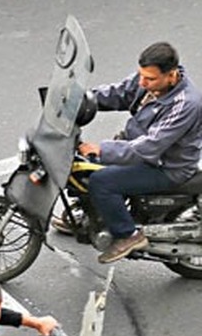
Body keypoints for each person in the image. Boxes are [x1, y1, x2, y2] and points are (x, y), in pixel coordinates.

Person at [71, 41, 202, 263]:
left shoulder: (186, 104)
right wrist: (83, 99)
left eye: (149, 79)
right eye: (142, 76)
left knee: (102, 181)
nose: (143, 82)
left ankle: (128, 235)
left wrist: (102, 149)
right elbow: (119, 93)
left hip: (165, 167)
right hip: (140, 149)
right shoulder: (149, 79)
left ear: (171, 76)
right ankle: (91, 215)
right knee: (84, 164)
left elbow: (150, 147)